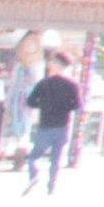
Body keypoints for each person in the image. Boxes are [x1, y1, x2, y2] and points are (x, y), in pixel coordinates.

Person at [20, 56, 84, 194]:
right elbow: (78, 106)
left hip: (45, 126)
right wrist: (66, 107)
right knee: (56, 158)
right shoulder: (73, 85)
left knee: (34, 156)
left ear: (54, 65)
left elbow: (30, 102)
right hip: (62, 127)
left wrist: (43, 105)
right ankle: (51, 186)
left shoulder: (44, 84)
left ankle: (34, 175)